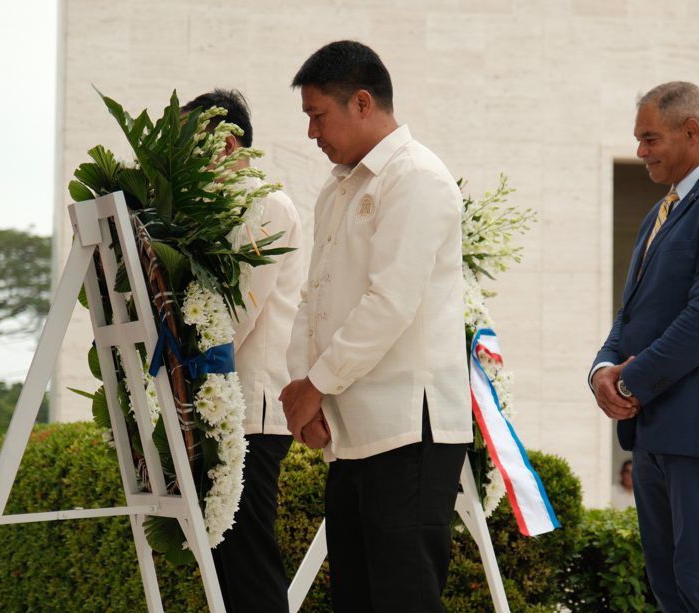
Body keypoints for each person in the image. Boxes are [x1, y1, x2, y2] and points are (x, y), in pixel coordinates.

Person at [279, 41, 472, 613]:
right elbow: (311, 300)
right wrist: (306, 396)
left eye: (319, 115)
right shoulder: (339, 189)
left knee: (403, 600)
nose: (313, 133)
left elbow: (389, 304)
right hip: (350, 428)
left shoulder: (416, 177)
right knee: (356, 600)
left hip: (407, 429)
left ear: (362, 102)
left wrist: (314, 387)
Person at [589, 82, 699, 612]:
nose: (641, 151)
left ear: (692, 131)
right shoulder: (663, 209)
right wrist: (601, 369)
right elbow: (632, 313)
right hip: (653, 429)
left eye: (650, 138)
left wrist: (628, 382)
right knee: (669, 588)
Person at [180, 89, 304, 613]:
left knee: (249, 564)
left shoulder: (265, 204)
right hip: (226, 407)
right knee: (227, 570)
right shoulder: (219, 207)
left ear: (228, 144)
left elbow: (236, 313)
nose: (179, 158)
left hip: (252, 411)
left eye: (188, 143)